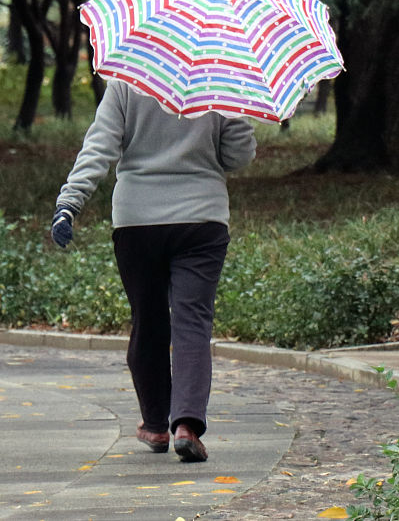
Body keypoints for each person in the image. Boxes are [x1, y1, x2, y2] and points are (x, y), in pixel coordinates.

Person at [51, 80, 256, 462]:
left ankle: (155, 424)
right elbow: (238, 156)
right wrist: (237, 111)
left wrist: (69, 204)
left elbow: (100, 146)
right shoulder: (223, 78)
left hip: (137, 222)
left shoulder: (127, 81)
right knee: (193, 320)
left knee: (148, 319)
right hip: (202, 219)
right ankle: (187, 425)